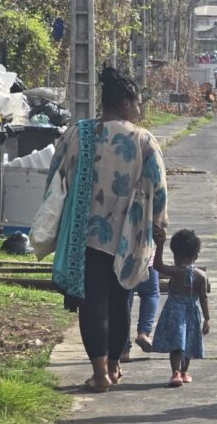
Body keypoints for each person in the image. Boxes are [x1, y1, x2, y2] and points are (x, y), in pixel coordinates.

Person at [44, 67, 168, 392]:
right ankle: (113, 367)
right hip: (129, 235)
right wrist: (160, 226)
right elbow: (160, 188)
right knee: (121, 300)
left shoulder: (78, 133)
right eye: (138, 103)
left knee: (92, 302)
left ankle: (99, 374)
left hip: (84, 234)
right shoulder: (143, 140)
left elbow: (56, 174)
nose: (140, 111)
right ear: (126, 103)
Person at [151, 227, 210, 387]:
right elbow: (203, 298)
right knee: (188, 341)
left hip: (174, 311)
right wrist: (207, 319)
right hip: (192, 311)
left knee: (177, 343)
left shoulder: (176, 271)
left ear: (175, 255)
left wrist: (160, 245)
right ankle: (184, 372)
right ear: (196, 256)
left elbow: (158, 266)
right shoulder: (201, 276)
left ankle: (175, 372)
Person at [119, 261, 158, 362]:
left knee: (124, 299)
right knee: (150, 294)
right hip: (147, 259)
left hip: (124, 258)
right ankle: (143, 333)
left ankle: (123, 349)